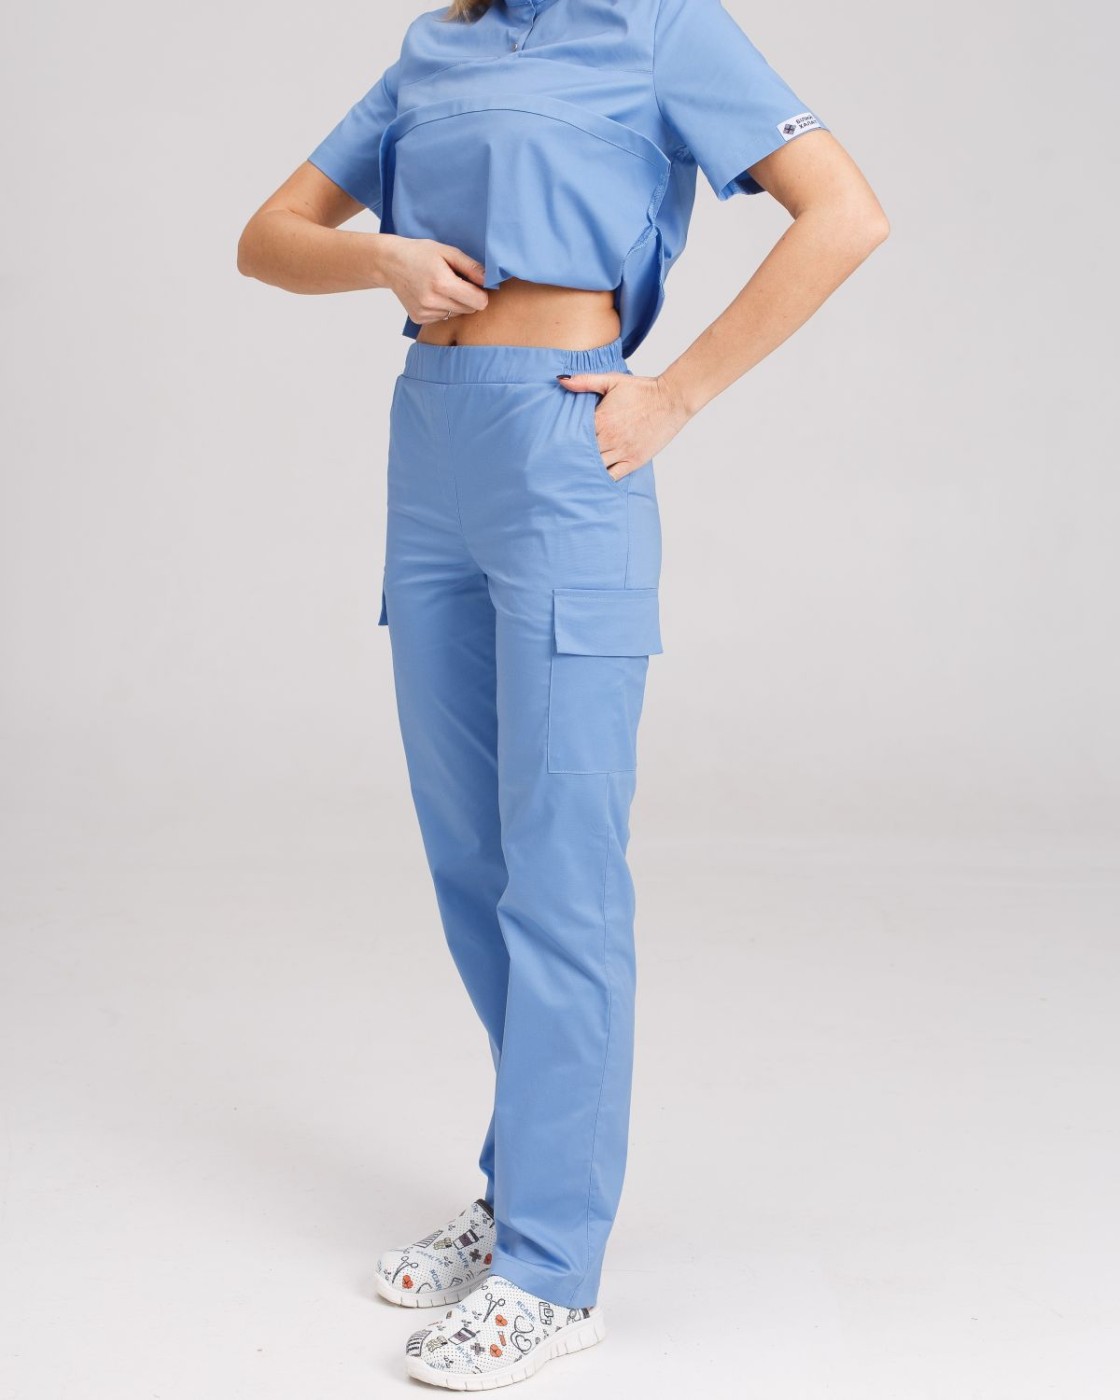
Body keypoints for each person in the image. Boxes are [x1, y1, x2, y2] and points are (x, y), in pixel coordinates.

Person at [237, 0, 888, 1387]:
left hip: (563, 446)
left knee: (562, 873)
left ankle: (552, 1270)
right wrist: (382, 257)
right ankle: (521, 1188)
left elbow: (844, 213)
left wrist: (678, 394)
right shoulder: (437, 48)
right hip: (431, 445)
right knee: (472, 863)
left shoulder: (659, 28)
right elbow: (267, 238)